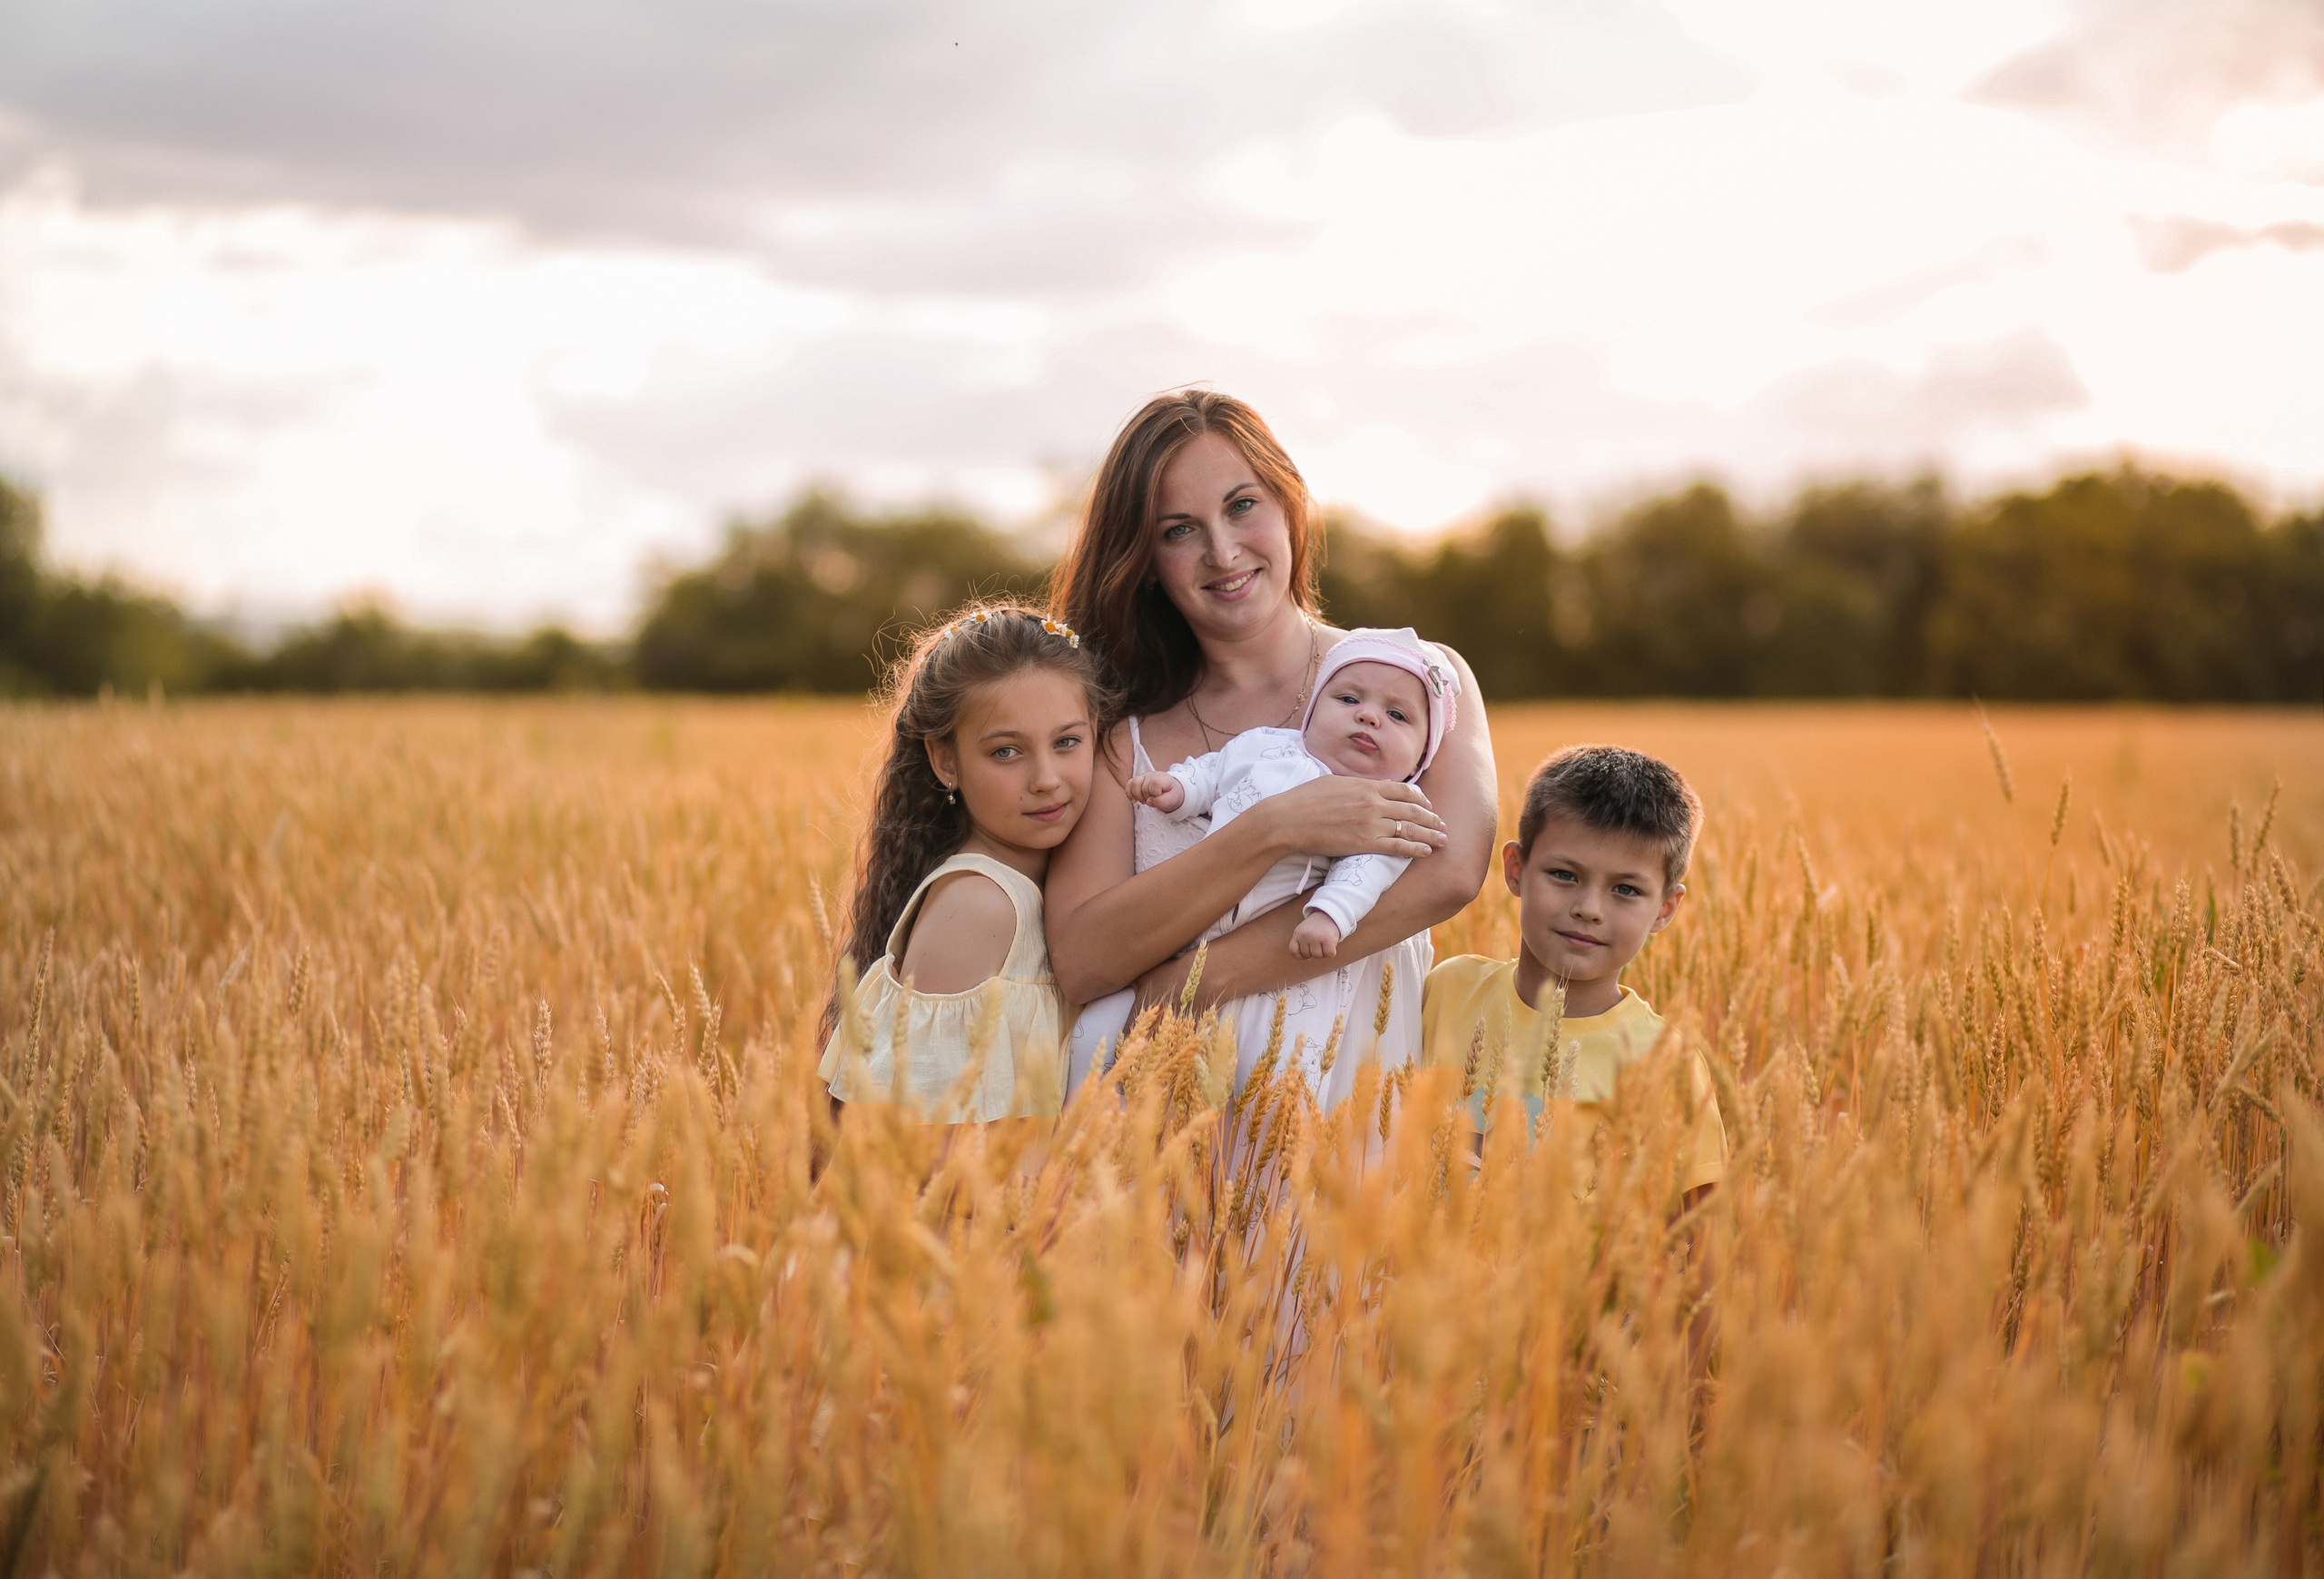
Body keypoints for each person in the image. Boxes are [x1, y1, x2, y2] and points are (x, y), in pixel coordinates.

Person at [1045, 390, 1496, 1108]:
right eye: (1179, 529)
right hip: (1172, 1151)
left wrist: (1179, 988)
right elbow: (1083, 957)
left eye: (1243, 505)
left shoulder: (1417, 680)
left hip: (1353, 1134)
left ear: (1290, 502)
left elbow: (1450, 870)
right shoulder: (1115, 736)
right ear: (1146, 558)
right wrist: (1275, 827)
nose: (1222, 551)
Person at [1085, 629, 1462, 1085]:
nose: (1368, 716)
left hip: (1258, 965)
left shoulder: (1386, 805)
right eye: (1347, 699)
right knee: (1096, 1030)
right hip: (1183, 932)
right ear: (1313, 710)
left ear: (1423, 753)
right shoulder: (1263, 744)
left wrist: (1329, 916)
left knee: (1254, 1072)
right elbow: (1215, 772)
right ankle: (1089, 1116)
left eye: (1397, 715)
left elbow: (1367, 872)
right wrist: (1177, 789)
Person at [819, 603, 1115, 1123]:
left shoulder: (1059, 893)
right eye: (1006, 752)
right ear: (945, 760)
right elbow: (918, 1155)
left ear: (1095, 729)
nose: (1046, 777)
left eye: (1067, 742)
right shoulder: (979, 906)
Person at [1419, 744, 1727, 1201]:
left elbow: (1703, 1248)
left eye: (1625, 889)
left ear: (1665, 909)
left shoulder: (1665, 1064)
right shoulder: (1448, 990)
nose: (1588, 909)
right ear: (1516, 869)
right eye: (1564, 875)